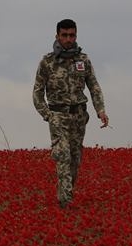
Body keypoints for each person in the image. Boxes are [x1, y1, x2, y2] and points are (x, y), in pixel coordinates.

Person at [33, 18, 108, 209]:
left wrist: (100, 110)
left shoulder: (83, 60)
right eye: (64, 35)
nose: (68, 39)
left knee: (75, 159)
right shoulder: (47, 62)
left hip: (79, 117)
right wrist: (47, 114)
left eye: (72, 35)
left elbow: (94, 86)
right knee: (62, 155)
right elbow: (37, 92)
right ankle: (65, 201)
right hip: (58, 116)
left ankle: (67, 192)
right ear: (57, 36)